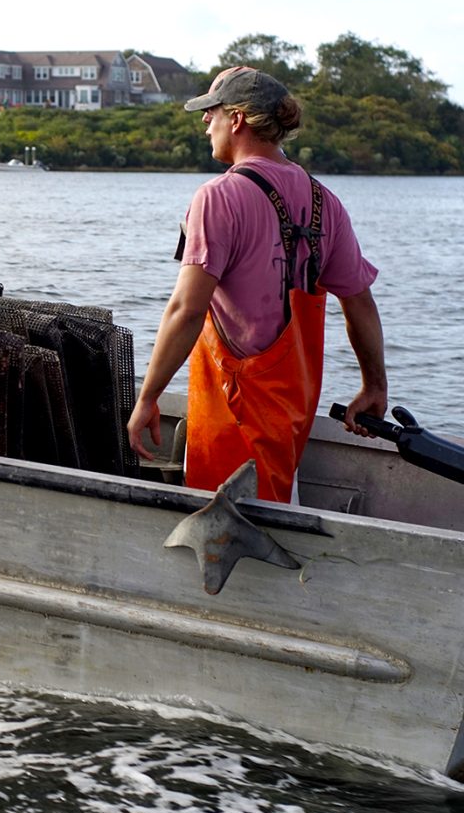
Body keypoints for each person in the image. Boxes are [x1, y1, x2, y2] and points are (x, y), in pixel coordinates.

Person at [126, 66, 388, 503]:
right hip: (290, 424)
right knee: (277, 518)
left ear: (238, 118)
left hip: (232, 417)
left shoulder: (218, 197)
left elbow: (185, 311)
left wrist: (148, 398)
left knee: (223, 537)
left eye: (211, 111)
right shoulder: (327, 202)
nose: (204, 122)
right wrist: (375, 387)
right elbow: (359, 302)